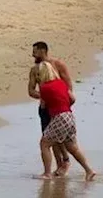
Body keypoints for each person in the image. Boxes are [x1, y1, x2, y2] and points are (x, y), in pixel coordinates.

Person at [33, 60, 95, 180]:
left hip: (59, 116)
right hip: (69, 115)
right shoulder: (61, 83)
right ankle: (89, 170)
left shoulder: (44, 88)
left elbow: (44, 106)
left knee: (44, 143)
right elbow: (72, 99)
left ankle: (47, 173)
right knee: (72, 147)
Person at [28, 42, 74, 172]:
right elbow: (31, 91)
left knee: (61, 139)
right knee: (49, 139)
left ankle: (64, 161)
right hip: (45, 108)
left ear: (43, 51)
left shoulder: (58, 64)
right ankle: (59, 165)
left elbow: (68, 86)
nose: (33, 55)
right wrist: (43, 97)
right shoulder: (34, 70)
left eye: (35, 52)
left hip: (60, 107)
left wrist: (64, 102)